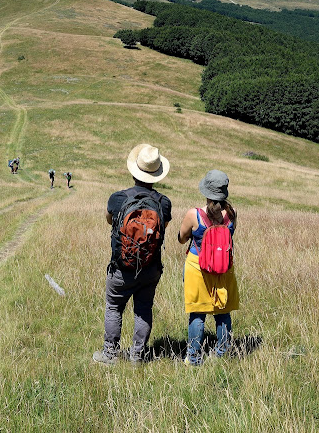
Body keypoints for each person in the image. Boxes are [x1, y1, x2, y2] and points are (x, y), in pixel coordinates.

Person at [92, 144, 172, 365]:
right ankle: (137, 355)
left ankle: (109, 355)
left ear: (134, 170)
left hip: (121, 268)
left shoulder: (118, 198)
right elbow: (162, 226)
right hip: (150, 268)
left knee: (114, 307)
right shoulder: (164, 203)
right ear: (156, 174)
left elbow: (109, 220)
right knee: (143, 309)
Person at [177, 169, 238, 365]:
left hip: (198, 267)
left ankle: (193, 357)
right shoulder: (232, 214)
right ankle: (222, 353)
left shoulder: (194, 214)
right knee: (222, 311)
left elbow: (181, 238)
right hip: (223, 267)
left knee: (197, 313)